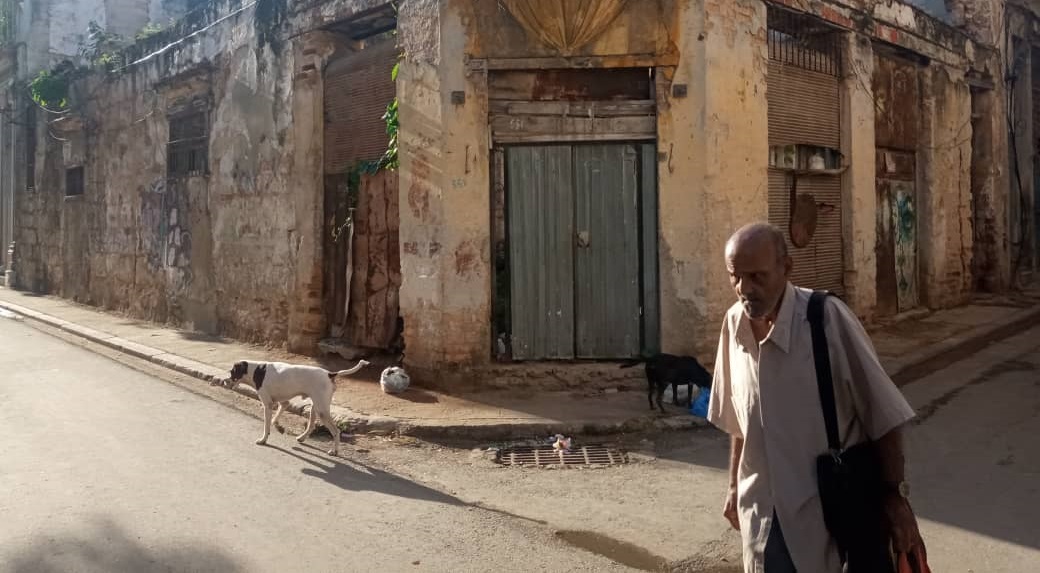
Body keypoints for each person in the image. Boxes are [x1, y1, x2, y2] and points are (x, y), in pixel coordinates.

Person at [708, 222, 926, 572]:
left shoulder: (826, 319)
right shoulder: (734, 325)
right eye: (735, 276)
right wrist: (734, 485)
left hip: (828, 515)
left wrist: (894, 497)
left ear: (786, 268)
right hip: (762, 513)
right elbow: (739, 421)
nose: (744, 288)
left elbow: (883, 415)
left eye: (757, 276)